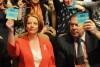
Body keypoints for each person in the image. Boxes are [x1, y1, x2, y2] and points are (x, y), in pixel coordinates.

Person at [0, 0, 12, 67]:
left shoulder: (8, 6)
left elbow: (16, 22)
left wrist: (9, 12)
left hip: (5, 31)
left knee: (5, 42)